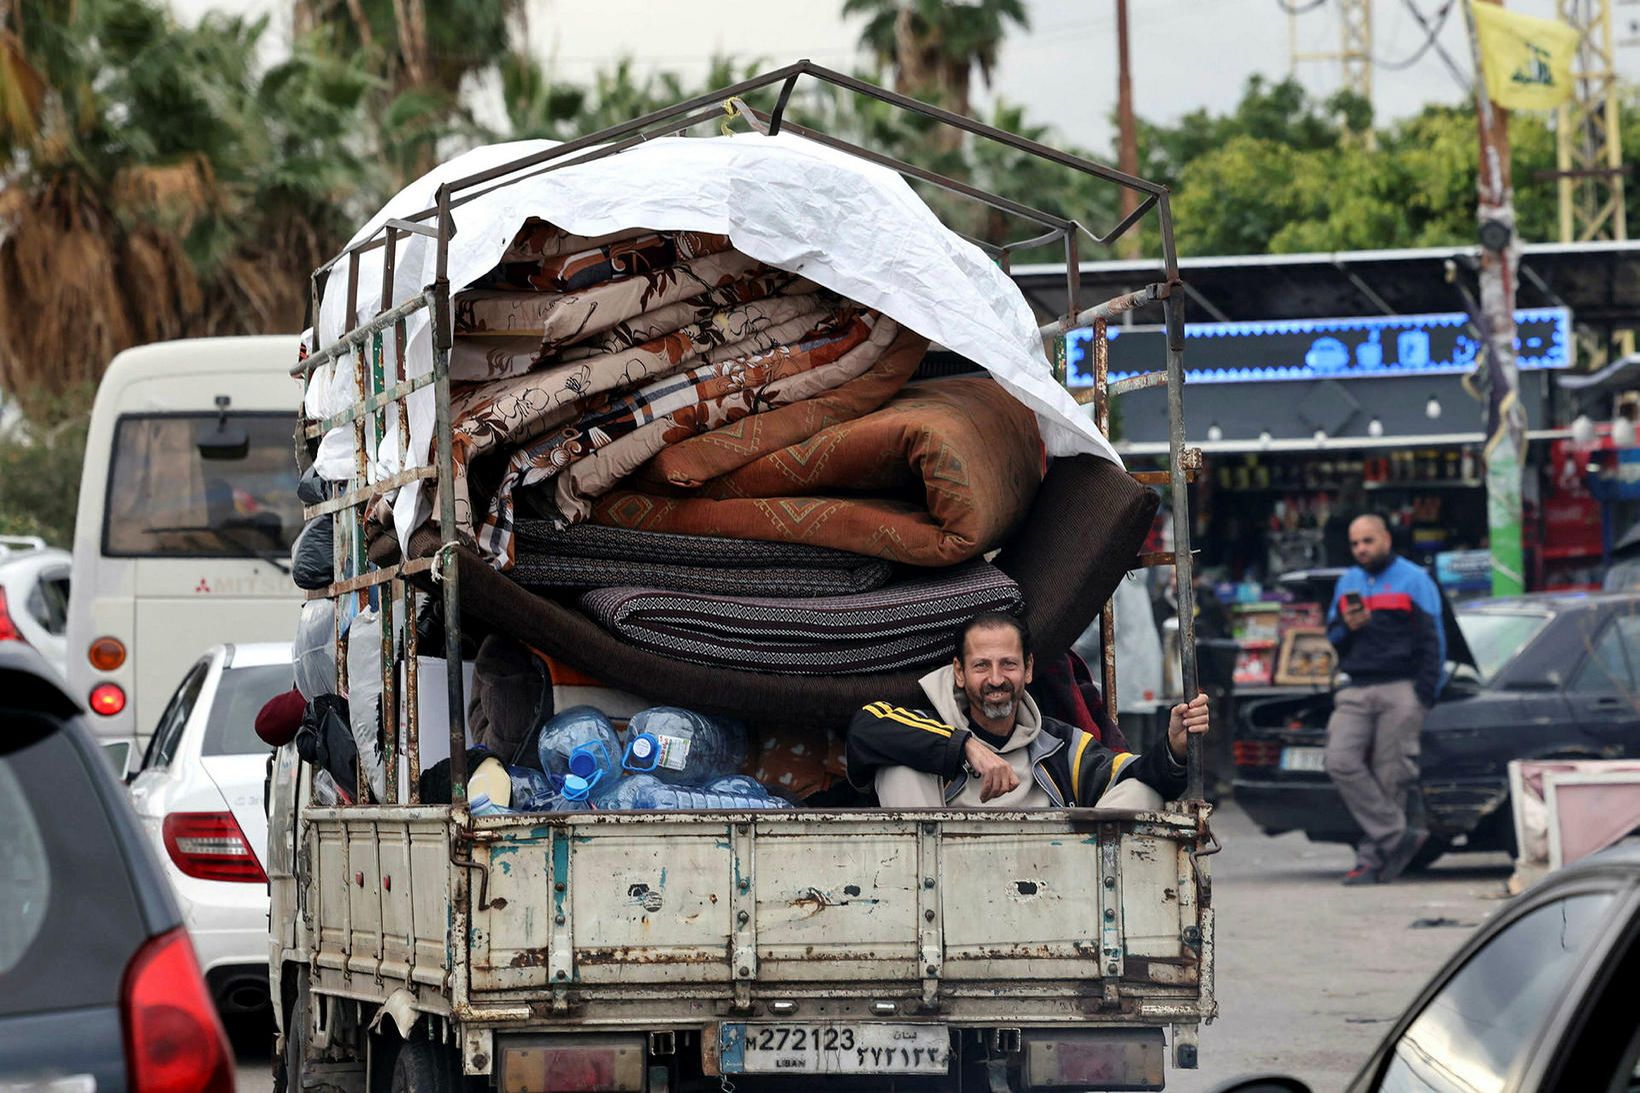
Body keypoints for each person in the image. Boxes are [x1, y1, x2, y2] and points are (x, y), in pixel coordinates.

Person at [846, 612, 1210, 808]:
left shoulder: (1060, 745)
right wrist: (968, 748)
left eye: (1008, 664)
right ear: (958, 672)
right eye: (980, 666)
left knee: (1141, 793)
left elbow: (1135, 774)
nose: (995, 679)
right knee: (899, 767)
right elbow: (866, 726)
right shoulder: (928, 727)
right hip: (938, 897)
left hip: (1044, 897)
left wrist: (1174, 747)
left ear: (1028, 669)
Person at [1324, 513, 1445, 885]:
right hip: (1357, 686)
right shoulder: (1348, 582)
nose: (1361, 549)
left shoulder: (1415, 580)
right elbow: (1333, 635)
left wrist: (1424, 694)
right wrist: (1347, 626)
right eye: (1355, 543)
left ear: (1386, 540)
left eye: (1368, 541)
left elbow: (1434, 641)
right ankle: (1397, 834)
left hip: (1401, 687)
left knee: (1391, 775)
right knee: (1339, 760)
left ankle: (1372, 861)